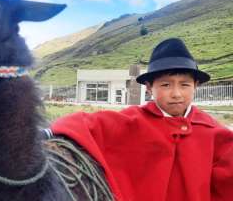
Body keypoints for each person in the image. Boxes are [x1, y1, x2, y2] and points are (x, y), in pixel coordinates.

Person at [51, 38, 233, 201]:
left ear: (195, 86)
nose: (176, 93)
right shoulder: (131, 122)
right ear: (149, 87)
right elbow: (83, 124)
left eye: (185, 84)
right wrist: (47, 133)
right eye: (165, 84)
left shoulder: (214, 133)